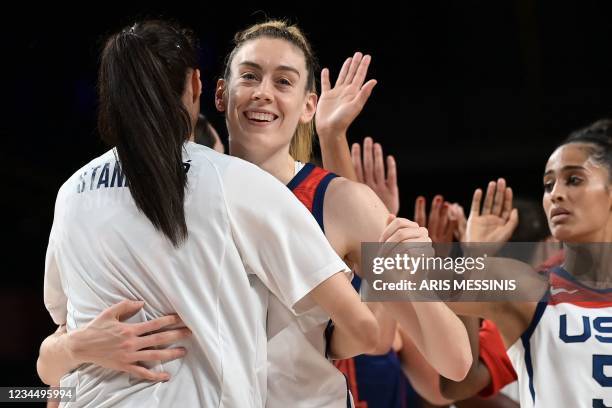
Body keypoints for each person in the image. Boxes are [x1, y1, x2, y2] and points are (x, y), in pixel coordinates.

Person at [39, 19, 471, 408]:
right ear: (218, 93)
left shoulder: (339, 201)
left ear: (308, 106)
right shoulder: (177, 190)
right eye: (250, 75)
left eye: (284, 81)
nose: (263, 91)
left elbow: (452, 365)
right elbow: (53, 373)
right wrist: (71, 350)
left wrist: (402, 277)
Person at [442, 119, 612, 406]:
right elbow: (458, 384)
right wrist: (474, 255)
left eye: (573, 179)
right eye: (548, 184)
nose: (555, 193)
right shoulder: (530, 287)